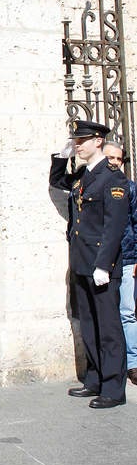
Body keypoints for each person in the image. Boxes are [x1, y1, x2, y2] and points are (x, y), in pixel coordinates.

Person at [49, 120, 129, 408]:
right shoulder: (84, 175)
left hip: (101, 266)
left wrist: (103, 265)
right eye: (76, 141)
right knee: (90, 325)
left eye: (82, 141)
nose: (78, 145)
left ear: (98, 141)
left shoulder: (113, 178)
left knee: (108, 328)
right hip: (82, 262)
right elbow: (58, 182)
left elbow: (114, 226)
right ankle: (94, 378)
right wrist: (60, 156)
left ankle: (113, 388)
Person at [103, 141, 137, 385]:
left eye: (119, 159)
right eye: (110, 158)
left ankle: (133, 363)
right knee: (107, 314)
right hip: (102, 261)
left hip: (126, 258)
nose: (115, 162)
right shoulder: (91, 185)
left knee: (127, 312)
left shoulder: (130, 188)